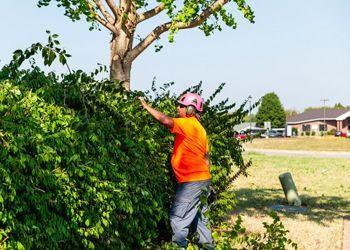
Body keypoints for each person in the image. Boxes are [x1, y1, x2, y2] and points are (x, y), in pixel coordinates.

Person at [138, 93, 214, 249]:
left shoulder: (188, 123)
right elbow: (206, 158)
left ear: (190, 109)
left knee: (178, 217)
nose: (177, 108)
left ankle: (178, 247)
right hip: (202, 180)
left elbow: (165, 121)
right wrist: (208, 182)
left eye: (181, 105)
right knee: (200, 219)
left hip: (191, 181)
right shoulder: (200, 129)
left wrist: (147, 107)